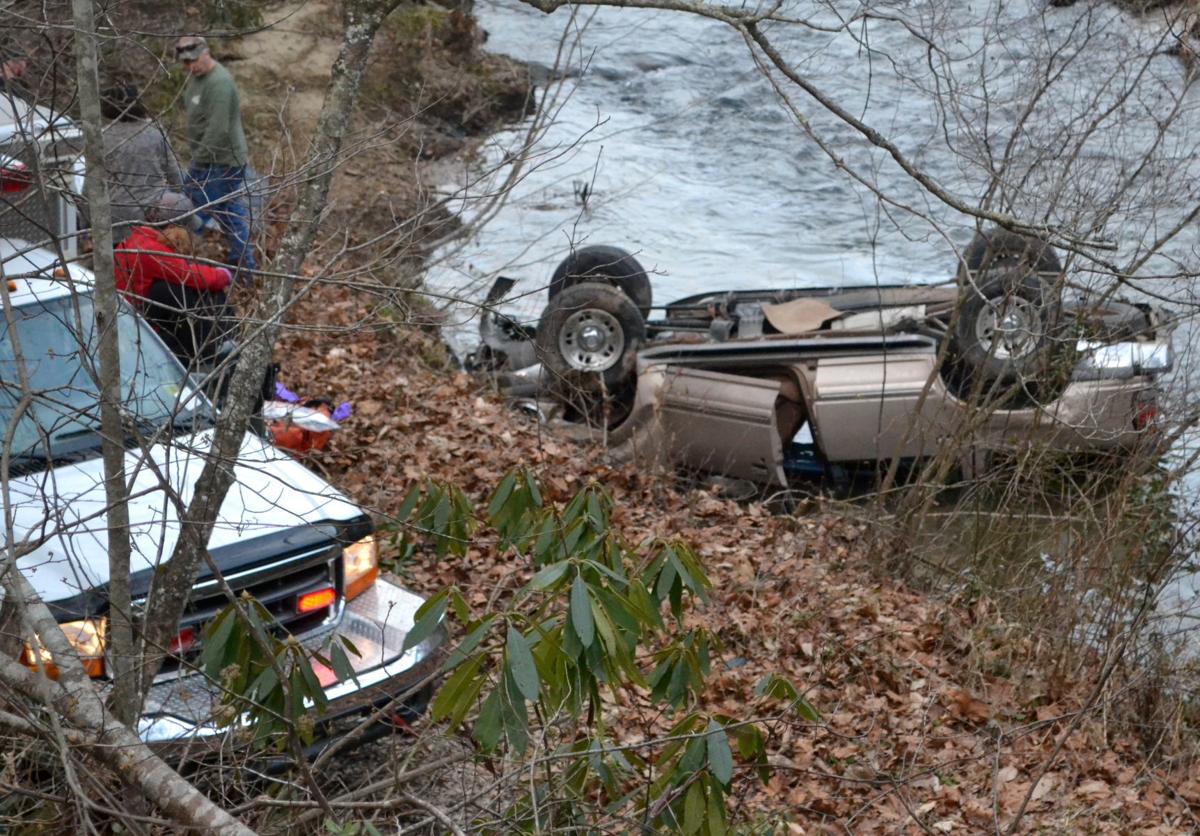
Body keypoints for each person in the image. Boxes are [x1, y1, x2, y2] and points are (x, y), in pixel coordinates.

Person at [114, 194, 235, 365]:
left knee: (178, 288)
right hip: (142, 331)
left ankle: (217, 343)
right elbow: (188, 275)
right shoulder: (152, 251)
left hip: (139, 318)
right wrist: (223, 275)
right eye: (186, 229)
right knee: (184, 289)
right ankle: (208, 349)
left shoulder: (138, 239)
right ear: (173, 227)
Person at [174, 35, 258, 279]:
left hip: (221, 162)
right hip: (208, 159)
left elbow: (218, 129)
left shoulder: (219, 82)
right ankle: (244, 268)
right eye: (185, 63)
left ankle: (184, 268)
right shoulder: (196, 79)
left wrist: (198, 160)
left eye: (193, 61)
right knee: (229, 214)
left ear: (206, 53)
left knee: (193, 214)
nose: (190, 66)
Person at [94, 84, 193, 242]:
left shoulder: (101, 137)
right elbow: (175, 176)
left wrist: (88, 223)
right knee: (183, 205)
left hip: (112, 215)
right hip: (150, 216)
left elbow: (90, 186)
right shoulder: (154, 131)